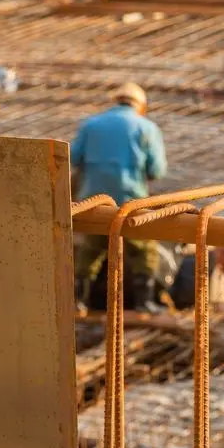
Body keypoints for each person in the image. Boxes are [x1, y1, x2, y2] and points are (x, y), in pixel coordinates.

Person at [70, 83, 168, 312]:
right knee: (144, 248)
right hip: (129, 198)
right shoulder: (146, 128)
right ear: (141, 105)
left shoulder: (91, 124)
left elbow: (73, 157)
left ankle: (78, 302)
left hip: (94, 200)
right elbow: (157, 170)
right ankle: (145, 302)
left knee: (92, 247)